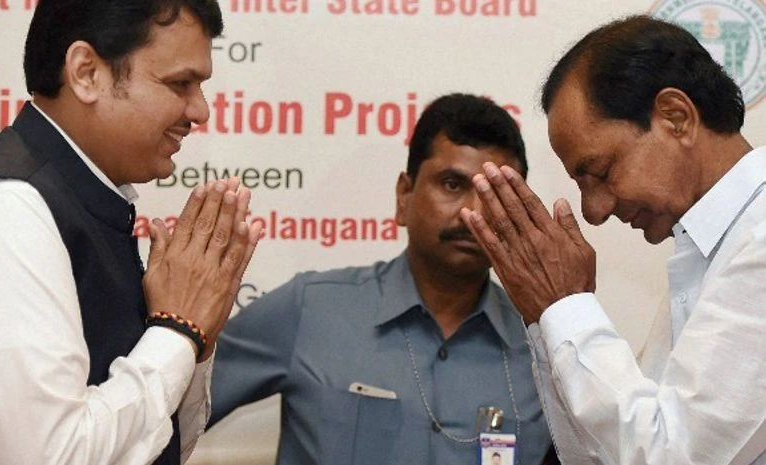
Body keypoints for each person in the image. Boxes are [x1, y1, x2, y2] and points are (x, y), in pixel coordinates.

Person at [0, 1, 261, 464]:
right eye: (179, 83)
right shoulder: (6, 209)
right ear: (87, 73)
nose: (200, 110)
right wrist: (176, 333)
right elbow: (49, 456)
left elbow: (158, 446)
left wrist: (194, 335)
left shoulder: (91, 200)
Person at [460, 15, 766, 465]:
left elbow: (673, 455)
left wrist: (565, 308)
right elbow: (601, 456)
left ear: (675, 118)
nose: (594, 211)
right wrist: (551, 322)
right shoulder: (708, 252)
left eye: (600, 172)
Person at [207, 93, 554, 465]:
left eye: (495, 195)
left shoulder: (545, 349)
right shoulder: (310, 310)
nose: (472, 213)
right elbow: (160, 417)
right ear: (404, 195)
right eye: (452, 185)